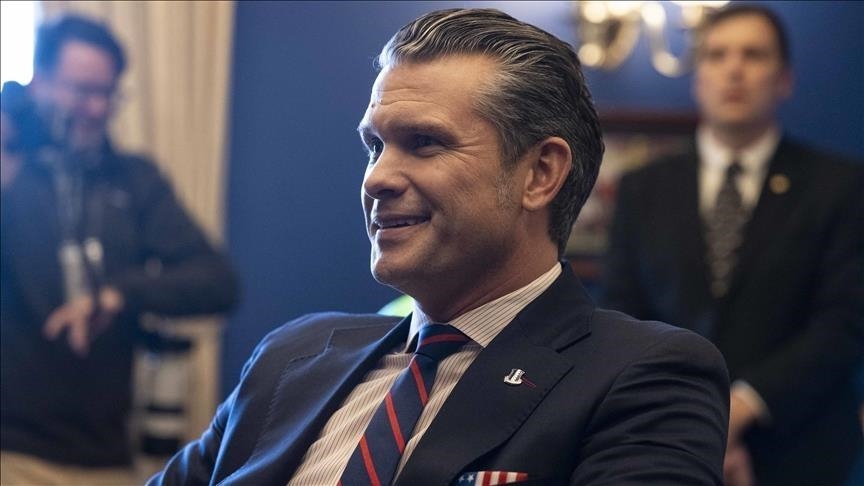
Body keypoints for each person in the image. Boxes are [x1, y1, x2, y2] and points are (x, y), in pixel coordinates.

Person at [150, 8, 729, 485]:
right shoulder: (291, 356)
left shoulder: (643, 375)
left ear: (540, 174)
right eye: (374, 147)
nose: (377, 178)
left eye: (424, 142)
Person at [603, 4, 864, 486]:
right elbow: (622, 314)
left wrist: (737, 410)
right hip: (664, 437)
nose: (734, 69)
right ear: (698, 77)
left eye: (753, 54)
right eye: (717, 55)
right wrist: (693, 415)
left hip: (800, 448)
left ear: (784, 80)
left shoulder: (842, 186)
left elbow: (842, 323)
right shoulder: (643, 188)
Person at [0, 14, 239, 484]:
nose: (96, 108)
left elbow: (218, 282)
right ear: (39, 83)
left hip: (106, 456)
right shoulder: (12, 176)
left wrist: (119, 293)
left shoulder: (133, 180)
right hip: (12, 452)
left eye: (107, 93)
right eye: (81, 91)